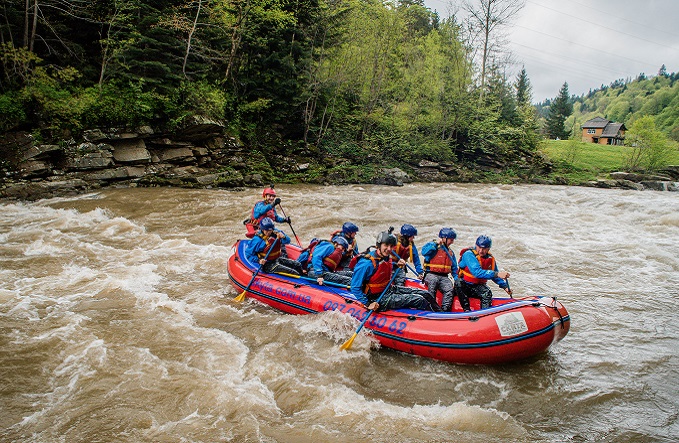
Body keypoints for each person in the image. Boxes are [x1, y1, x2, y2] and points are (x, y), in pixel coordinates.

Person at [349, 231, 434, 312]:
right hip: (375, 298)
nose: (389, 249)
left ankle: (442, 314)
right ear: (379, 245)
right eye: (386, 245)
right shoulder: (366, 263)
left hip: (388, 289)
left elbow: (383, 268)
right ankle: (434, 320)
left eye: (391, 246)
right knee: (419, 300)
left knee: (426, 294)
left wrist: (397, 265)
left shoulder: (385, 257)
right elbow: (355, 287)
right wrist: (368, 304)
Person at [457, 235, 512, 311]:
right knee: (458, 283)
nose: (481, 251)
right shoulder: (468, 254)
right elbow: (477, 272)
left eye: (484, 249)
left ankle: (485, 313)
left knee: (487, 292)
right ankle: (466, 310)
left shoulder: (490, 258)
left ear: (488, 249)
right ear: (476, 245)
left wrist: (505, 286)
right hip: (465, 285)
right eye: (479, 247)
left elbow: (494, 274)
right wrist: (497, 274)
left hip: (478, 286)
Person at [421, 227, 459, 311]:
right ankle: (430, 307)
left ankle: (445, 310)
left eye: (453, 240)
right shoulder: (433, 247)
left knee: (449, 289)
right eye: (451, 239)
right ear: (444, 238)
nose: (452, 242)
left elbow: (454, 269)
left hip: (444, 277)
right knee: (433, 281)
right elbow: (424, 252)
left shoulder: (450, 252)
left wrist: (457, 280)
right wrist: (435, 244)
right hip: (430, 274)